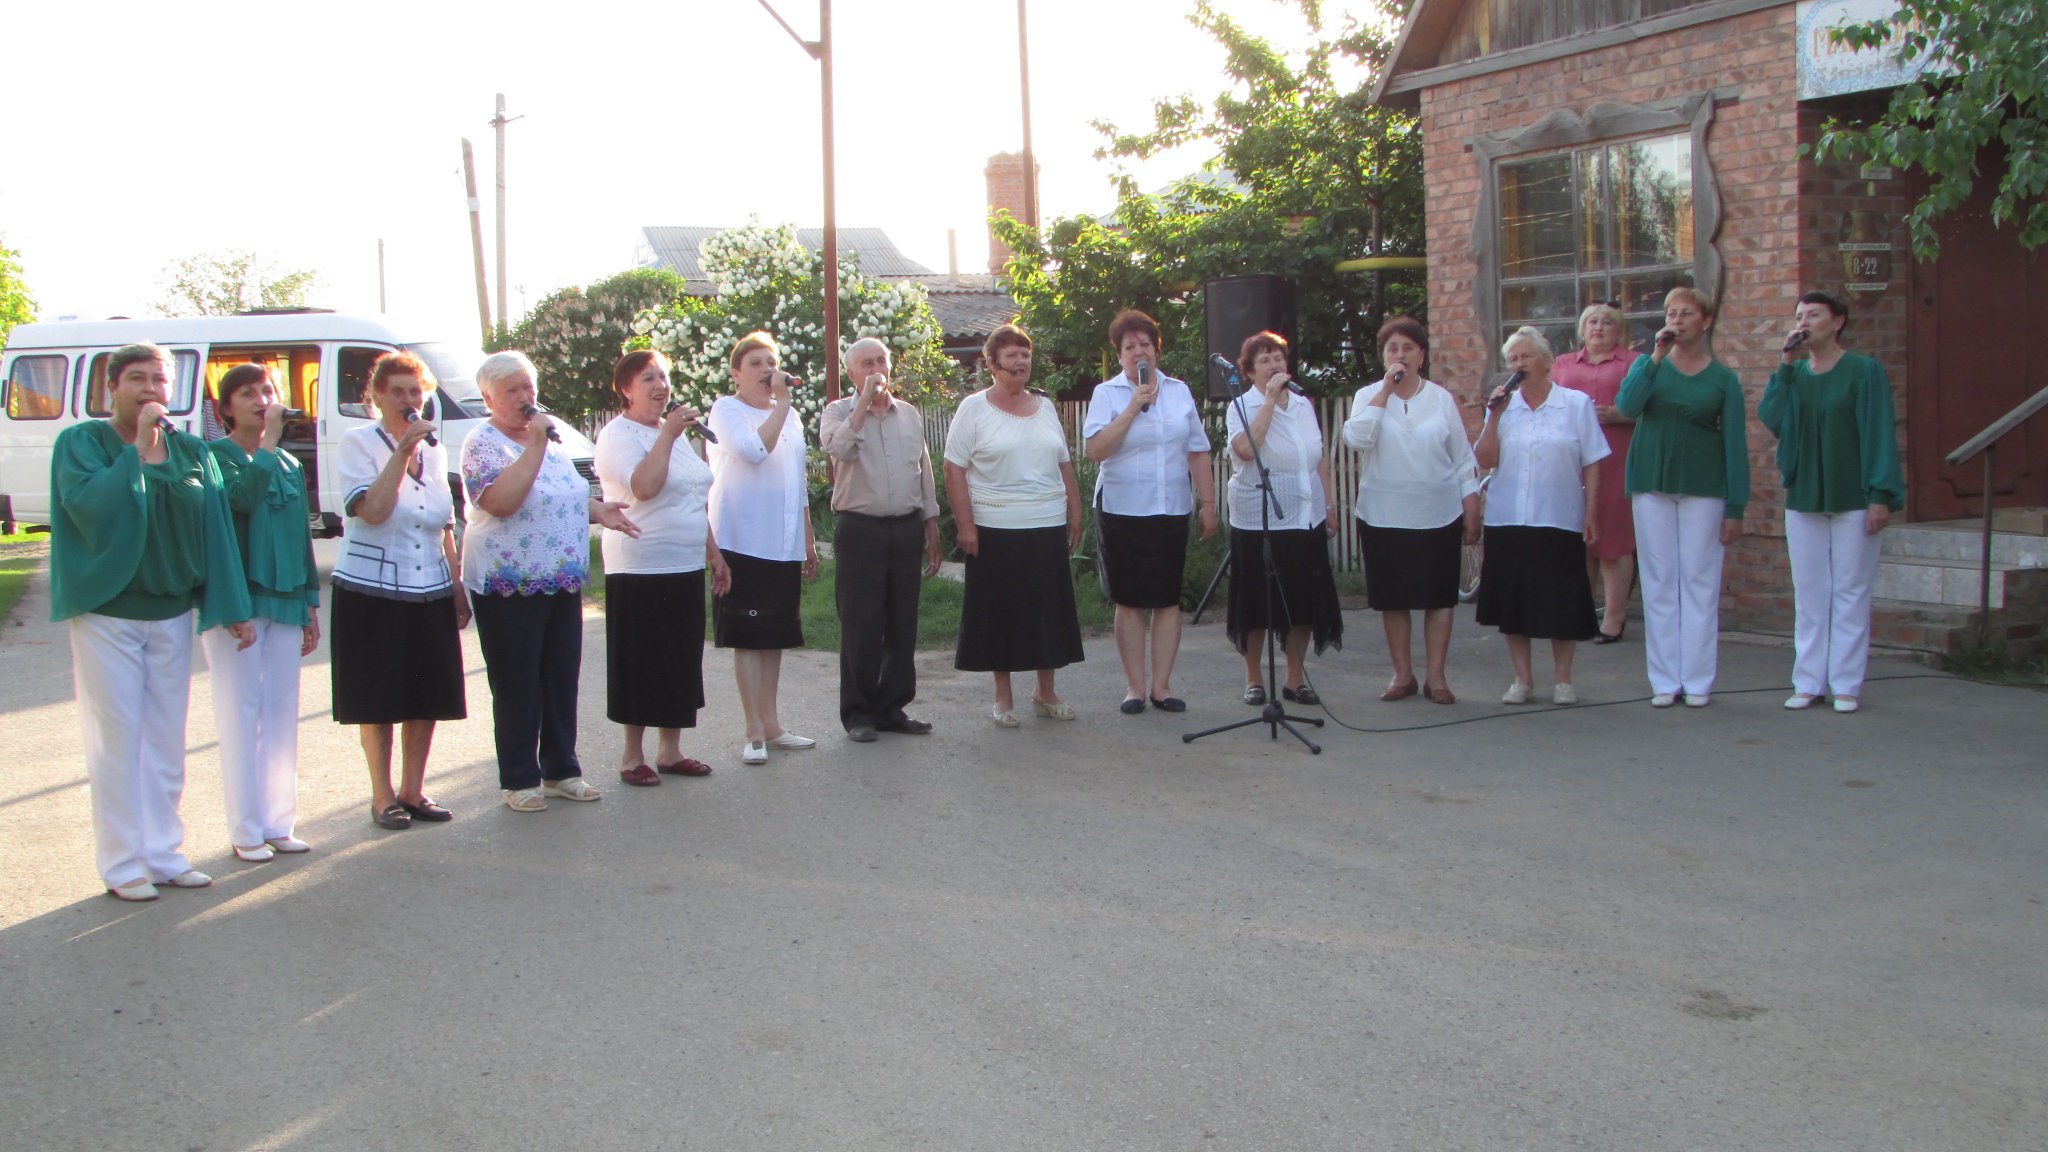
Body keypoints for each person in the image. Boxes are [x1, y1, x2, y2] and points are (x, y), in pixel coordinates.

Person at [51, 343, 253, 901]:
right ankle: (122, 865)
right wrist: (136, 451)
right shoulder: (82, 443)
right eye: (136, 379)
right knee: (118, 739)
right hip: (109, 613)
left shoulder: (191, 449)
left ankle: (165, 854)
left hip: (169, 612)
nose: (149, 389)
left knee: (166, 740)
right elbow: (88, 506)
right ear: (111, 388)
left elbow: (214, 528)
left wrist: (230, 605)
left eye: (158, 381)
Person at [461, 350, 639, 811]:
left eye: (528, 387)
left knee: (561, 677)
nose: (525, 398)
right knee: (518, 681)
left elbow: (562, 498)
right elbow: (501, 501)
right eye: (512, 391)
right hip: (509, 583)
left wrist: (599, 511)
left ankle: (561, 769)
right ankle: (519, 778)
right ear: (488, 398)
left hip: (560, 580)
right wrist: (535, 446)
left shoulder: (551, 440)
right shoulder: (482, 443)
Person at [330, 351, 469, 831]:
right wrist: (401, 451)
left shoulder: (436, 450)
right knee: (379, 695)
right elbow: (372, 510)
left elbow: (445, 522)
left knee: (426, 693)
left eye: (417, 391)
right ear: (378, 396)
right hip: (372, 589)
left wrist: (456, 583)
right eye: (399, 391)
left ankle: (414, 788)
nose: (410, 400)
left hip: (428, 583)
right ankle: (382, 794)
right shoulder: (357, 443)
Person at [1759, 291, 1906, 714]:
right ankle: (1808, 681)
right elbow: (1772, 417)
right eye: (1800, 315)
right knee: (1810, 592)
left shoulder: (1863, 371)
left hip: (1853, 496)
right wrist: (1785, 365)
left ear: (1837, 322)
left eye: (1814, 315)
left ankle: (1845, 683)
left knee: (1850, 591)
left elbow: (1878, 432)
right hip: (1804, 493)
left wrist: (1880, 495)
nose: (1804, 322)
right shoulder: (1797, 372)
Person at [594, 350, 728, 785]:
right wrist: (668, 435)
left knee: (679, 657)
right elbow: (645, 488)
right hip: (640, 567)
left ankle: (671, 751)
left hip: (685, 563)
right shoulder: (619, 434)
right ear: (626, 389)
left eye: (664, 376)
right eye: (648, 378)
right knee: (641, 659)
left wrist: (714, 550)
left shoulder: (678, 435)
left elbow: (694, 495)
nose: (659, 386)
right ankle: (633, 756)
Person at [204, 363, 320, 862]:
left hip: (285, 601)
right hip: (241, 606)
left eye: (267, 390)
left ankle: (278, 822)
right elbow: (242, 501)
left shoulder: (290, 466)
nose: (261, 399)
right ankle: (245, 829)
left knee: (280, 716)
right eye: (247, 393)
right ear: (226, 407)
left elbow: (300, 539)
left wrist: (310, 604)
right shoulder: (214, 457)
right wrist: (269, 444)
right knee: (241, 716)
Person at [1615, 287, 1750, 708]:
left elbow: (1735, 444)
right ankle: (1664, 680)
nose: (1676, 320)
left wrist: (1736, 506)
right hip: (1651, 484)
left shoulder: (1723, 379)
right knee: (1658, 583)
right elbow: (1627, 404)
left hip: (1704, 488)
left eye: (1685, 313)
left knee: (1698, 582)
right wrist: (1654, 358)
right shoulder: (1648, 366)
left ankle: (1697, 680)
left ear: (1705, 321)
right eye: (1671, 313)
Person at [945, 324, 1085, 725]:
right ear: (992, 363)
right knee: (1000, 612)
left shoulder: (1044, 407)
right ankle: (1003, 698)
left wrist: (1075, 511)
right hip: (994, 527)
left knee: (1047, 610)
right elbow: (954, 468)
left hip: (1045, 524)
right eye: (1011, 355)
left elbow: (1063, 462)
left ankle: (1045, 691)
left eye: (1025, 354)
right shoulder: (973, 408)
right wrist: (965, 525)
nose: (1020, 361)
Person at [1340, 317, 1482, 704]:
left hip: (1437, 512)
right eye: (1392, 349)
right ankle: (1402, 675)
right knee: (1394, 598)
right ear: (1383, 357)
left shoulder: (1440, 398)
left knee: (1438, 597)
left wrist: (1471, 503)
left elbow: (1461, 456)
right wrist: (1386, 390)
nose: (1400, 355)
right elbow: (1357, 438)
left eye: (1407, 348)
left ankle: (1437, 677)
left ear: (1422, 355)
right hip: (1383, 514)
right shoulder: (1369, 394)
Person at [1082, 309, 1218, 714]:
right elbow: (1095, 450)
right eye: (1129, 347)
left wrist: (1208, 503)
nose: (1138, 351)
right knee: (1129, 600)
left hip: (1170, 507)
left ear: (1156, 349)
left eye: (1145, 344)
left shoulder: (1179, 391)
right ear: (1119, 354)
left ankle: (1161, 686)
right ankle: (1134, 688)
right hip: (1122, 508)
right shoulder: (1108, 394)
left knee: (1166, 600)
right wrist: (1132, 408)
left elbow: (1197, 449)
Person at [1474, 328, 1610, 704]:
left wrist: (1591, 511)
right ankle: (1522, 679)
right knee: (1513, 601)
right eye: (1513, 359)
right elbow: (1485, 460)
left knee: (1559, 599)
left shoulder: (1575, 404)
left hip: (1558, 515)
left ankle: (1563, 680)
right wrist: (1494, 417)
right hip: (1508, 518)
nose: (1519, 365)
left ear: (1547, 362)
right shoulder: (1504, 407)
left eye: (1526, 357)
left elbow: (1594, 461)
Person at [820, 337, 943, 742]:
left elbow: (922, 470)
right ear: (851, 373)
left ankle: (892, 707)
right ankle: (859, 713)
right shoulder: (836, 412)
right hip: (861, 529)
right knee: (862, 623)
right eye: (866, 364)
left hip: (904, 528)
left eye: (881, 362)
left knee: (902, 623)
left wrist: (932, 523)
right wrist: (862, 406)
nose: (876, 370)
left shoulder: (907, 414)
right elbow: (839, 451)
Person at [706, 331, 821, 764]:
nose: (767, 370)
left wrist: (807, 538)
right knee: (749, 637)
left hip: (783, 542)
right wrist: (783, 405)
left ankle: (772, 726)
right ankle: (752, 729)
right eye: (755, 363)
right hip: (744, 539)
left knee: (773, 634)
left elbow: (798, 480)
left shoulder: (786, 416)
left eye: (771, 362)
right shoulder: (726, 410)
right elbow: (754, 451)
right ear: (736, 373)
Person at [1222, 331, 1342, 706]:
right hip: (1257, 521)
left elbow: (1316, 457)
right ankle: (1254, 679)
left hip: (1304, 517)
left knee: (1302, 601)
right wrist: (1270, 401)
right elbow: (1244, 450)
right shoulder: (1241, 406)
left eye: (1278, 357)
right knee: (1257, 604)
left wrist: (1330, 506)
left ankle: (1294, 679)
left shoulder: (1304, 405)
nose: (1274, 364)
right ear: (1249, 371)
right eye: (1264, 360)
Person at [1552, 302, 1641, 642]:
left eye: (1607, 322)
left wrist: (1620, 414)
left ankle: (1614, 617)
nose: (1598, 327)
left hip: (1616, 458)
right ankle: (1581, 612)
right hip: (1571, 461)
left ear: (1618, 331)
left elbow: (1651, 404)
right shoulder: (1561, 365)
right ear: (1581, 329)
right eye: (1592, 321)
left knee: (1613, 539)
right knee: (1577, 539)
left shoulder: (1633, 363)